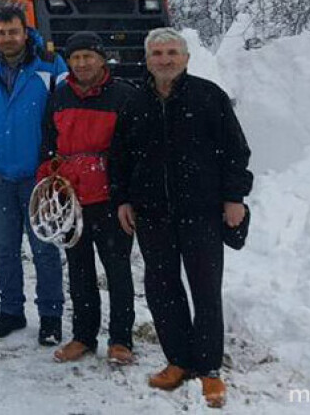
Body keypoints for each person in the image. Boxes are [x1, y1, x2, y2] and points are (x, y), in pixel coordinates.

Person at [110, 27, 253, 409]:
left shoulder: (209, 97)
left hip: (201, 212)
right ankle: (178, 361)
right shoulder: (134, 101)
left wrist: (234, 197)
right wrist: (122, 199)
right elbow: (120, 157)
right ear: (147, 59)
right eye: (157, 53)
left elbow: (235, 152)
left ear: (186, 58)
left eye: (172, 52)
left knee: (205, 289)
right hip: (152, 213)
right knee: (161, 287)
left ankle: (209, 370)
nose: (165, 60)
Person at [38, 31, 139, 365]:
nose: (82, 63)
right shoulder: (60, 95)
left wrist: (123, 190)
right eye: (76, 57)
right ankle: (83, 336)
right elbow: (49, 140)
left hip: (110, 200)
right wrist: (50, 172)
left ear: (101, 59)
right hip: (71, 201)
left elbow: (135, 152)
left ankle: (121, 339)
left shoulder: (124, 96)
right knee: (79, 271)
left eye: (88, 57)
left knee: (117, 270)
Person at [0, 6, 67, 346]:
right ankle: (11, 310)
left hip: (38, 173)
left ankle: (51, 315)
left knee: (44, 247)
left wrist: (54, 157)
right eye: (1, 33)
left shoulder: (50, 67)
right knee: (5, 248)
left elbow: (64, 114)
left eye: (13, 32)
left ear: (25, 33)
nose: (7, 38)